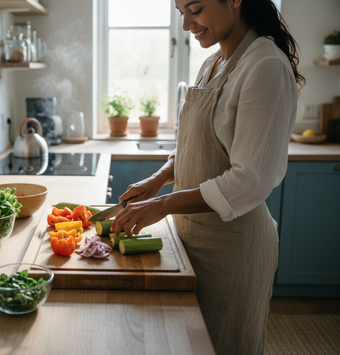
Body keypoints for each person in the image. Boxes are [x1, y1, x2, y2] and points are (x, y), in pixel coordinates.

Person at [111, 0, 304, 354]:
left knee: (226, 344)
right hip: (192, 239)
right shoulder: (213, 62)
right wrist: (158, 179)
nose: (186, 25)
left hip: (233, 250)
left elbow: (250, 179)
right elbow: (192, 145)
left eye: (195, 9)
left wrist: (163, 204)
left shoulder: (265, 65)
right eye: (180, 13)